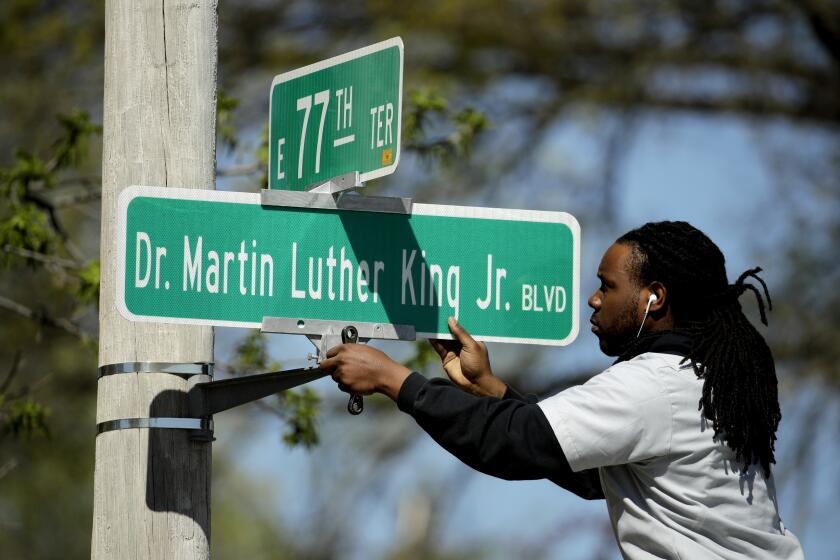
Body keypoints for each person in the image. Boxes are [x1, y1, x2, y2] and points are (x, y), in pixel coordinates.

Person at [320, 221, 804, 559]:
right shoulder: (700, 380)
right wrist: (493, 390)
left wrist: (394, 380)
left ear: (654, 296)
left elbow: (512, 444)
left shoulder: (654, 384)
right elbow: (598, 476)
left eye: (607, 286)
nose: (593, 299)